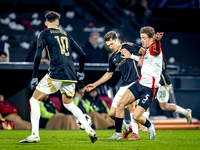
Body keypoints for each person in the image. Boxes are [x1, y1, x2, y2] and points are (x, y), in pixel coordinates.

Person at [20, 11, 97, 143]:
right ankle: (89, 130)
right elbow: (82, 54)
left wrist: (34, 76)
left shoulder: (44, 33)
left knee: (34, 100)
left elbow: (38, 55)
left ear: (45, 23)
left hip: (56, 73)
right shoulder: (66, 34)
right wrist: (81, 71)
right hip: (70, 75)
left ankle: (35, 135)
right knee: (69, 104)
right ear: (58, 23)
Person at [84, 30, 143, 140]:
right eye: (108, 45)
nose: (111, 47)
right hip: (124, 84)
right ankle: (127, 129)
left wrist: (139, 58)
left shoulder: (127, 46)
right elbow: (109, 74)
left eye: (112, 44)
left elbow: (144, 52)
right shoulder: (112, 57)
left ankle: (134, 133)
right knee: (112, 113)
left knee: (131, 106)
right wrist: (94, 84)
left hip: (136, 81)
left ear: (117, 40)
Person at [112, 26, 163, 140]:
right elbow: (145, 61)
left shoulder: (155, 49)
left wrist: (158, 41)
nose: (142, 40)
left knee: (136, 116)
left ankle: (150, 126)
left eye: (144, 38)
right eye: (141, 38)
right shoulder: (146, 51)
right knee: (120, 104)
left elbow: (157, 49)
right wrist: (132, 56)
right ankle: (118, 134)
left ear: (151, 39)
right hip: (139, 84)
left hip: (149, 89)